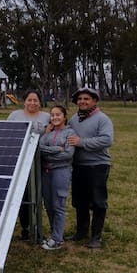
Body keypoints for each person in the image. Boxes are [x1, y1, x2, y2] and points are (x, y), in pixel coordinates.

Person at [66, 86, 114, 249]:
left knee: (98, 201)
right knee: (80, 201)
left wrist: (82, 143)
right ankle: (81, 232)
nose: (82, 101)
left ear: (94, 101)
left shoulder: (102, 119)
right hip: (78, 166)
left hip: (97, 165)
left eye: (86, 99)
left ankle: (96, 237)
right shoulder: (74, 119)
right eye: (80, 99)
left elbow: (106, 140)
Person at [7, 89, 50, 240]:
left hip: (40, 160)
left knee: (38, 194)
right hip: (20, 160)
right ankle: (25, 227)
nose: (32, 103)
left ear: (40, 102)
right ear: (24, 101)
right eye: (29, 100)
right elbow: (7, 135)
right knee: (23, 195)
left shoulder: (47, 116)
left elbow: (52, 135)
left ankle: (38, 226)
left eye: (35, 100)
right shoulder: (14, 116)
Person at [38, 105, 76, 250]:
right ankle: (55, 234)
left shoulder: (70, 132)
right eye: (52, 115)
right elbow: (39, 149)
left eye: (58, 115)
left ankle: (57, 239)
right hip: (46, 172)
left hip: (61, 171)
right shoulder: (47, 133)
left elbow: (68, 155)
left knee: (58, 205)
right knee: (48, 204)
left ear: (64, 116)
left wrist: (49, 154)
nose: (55, 118)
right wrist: (56, 149)